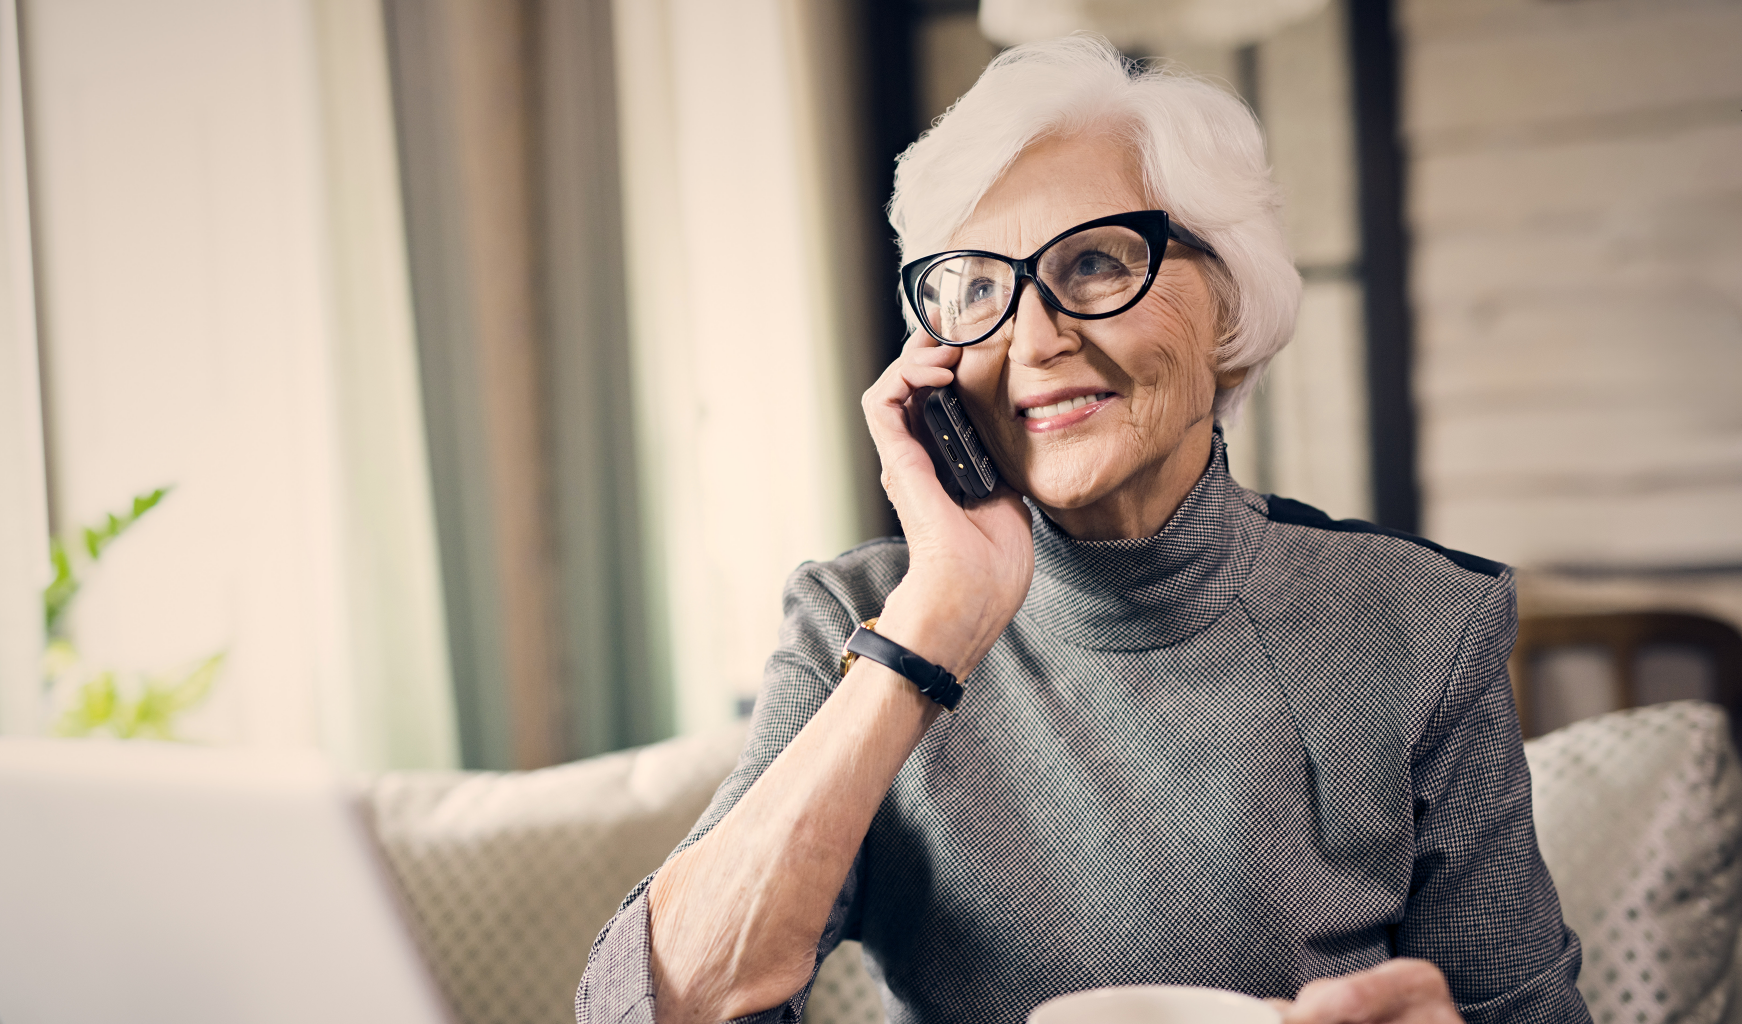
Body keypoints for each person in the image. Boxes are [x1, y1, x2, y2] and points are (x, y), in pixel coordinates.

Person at [578, 34, 1587, 1024]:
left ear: (1229, 307)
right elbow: (662, 1007)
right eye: (976, 284)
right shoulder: (860, 619)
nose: (1035, 336)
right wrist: (935, 620)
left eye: (1097, 263)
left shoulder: (1423, 625)